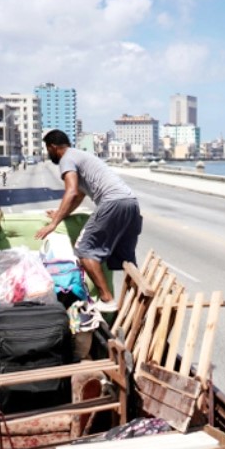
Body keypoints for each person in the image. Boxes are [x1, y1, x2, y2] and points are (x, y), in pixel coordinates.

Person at [35, 129, 142, 313]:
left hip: (112, 202)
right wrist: (61, 214)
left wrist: (53, 224)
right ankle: (140, 298)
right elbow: (78, 197)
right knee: (125, 259)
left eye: (47, 149)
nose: (48, 153)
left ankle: (107, 299)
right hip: (131, 203)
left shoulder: (66, 158)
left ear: (53, 147)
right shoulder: (80, 156)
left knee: (84, 250)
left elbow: (71, 191)